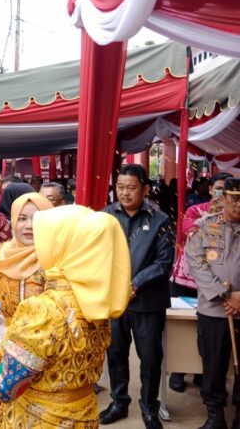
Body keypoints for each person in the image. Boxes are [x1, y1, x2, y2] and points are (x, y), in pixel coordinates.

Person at [0, 205, 131, 428]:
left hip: (38, 419)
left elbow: (5, 386)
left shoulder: (43, 309)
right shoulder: (96, 300)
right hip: (84, 415)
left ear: (63, 247)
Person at [100, 164, 174, 429]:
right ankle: (119, 402)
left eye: (131, 188)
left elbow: (164, 262)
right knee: (116, 352)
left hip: (147, 301)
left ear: (144, 189)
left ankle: (149, 407)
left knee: (150, 357)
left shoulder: (160, 219)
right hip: (114, 301)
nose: (125, 193)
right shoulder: (105, 216)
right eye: (120, 187)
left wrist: (134, 285)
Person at [0, 192, 52, 428]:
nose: (28, 226)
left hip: (43, 355)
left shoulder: (54, 258)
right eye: (22, 219)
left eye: (36, 219)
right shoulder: (3, 253)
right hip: (4, 351)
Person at [169, 172, 231, 393]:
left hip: (216, 283)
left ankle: (201, 372)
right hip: (187, 279)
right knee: (180, 327)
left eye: (227, 190)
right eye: (218, 188)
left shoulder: (234, 216)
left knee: (207, 331)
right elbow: (189, 233)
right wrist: (211, 218)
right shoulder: (197, 210)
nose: (221, 194)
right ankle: (177, 371)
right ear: (211, 188)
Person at [186, 177, 240, 429]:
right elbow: (196, 263)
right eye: (234, 199)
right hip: (214, 310)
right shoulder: (205, 226)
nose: (239, 204)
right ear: (223, 198)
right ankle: (215, 416)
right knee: (213, 365)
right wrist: (224, 294)